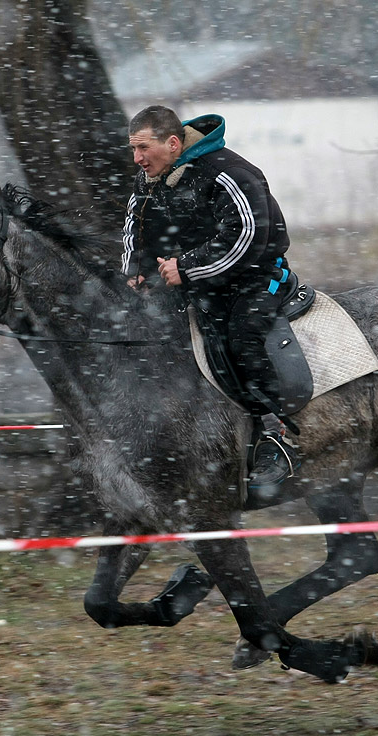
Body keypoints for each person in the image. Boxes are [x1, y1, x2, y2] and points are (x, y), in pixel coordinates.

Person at [121, 105, 299, 488]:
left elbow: (249, 235)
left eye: (142, 148)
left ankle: (275, 435)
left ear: (172, 143)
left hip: (256, 278)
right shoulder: (149, 178)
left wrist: (187, 266)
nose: (136, 159)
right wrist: (135, 270)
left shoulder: (229, 173)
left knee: (243, 336)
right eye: (132, 149)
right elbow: (135, 229)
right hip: (194, 284)